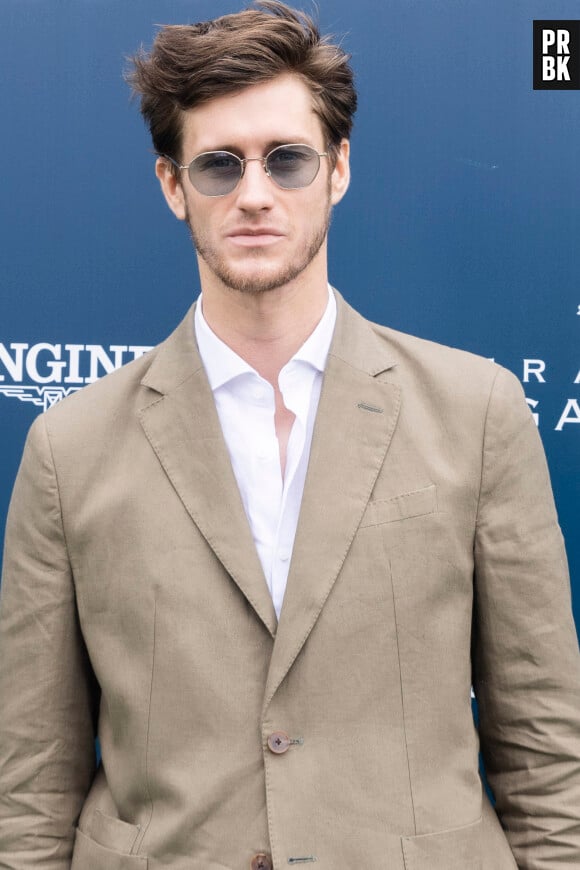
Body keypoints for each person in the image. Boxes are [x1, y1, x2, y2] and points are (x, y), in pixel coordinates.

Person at [0, 2, 579, 868]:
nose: (255, 194)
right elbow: (32, 781)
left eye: (287, 159)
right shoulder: (68, 448)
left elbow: (543, 750)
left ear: (338, 169)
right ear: (171, 185)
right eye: (219, 166)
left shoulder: (478, 412)